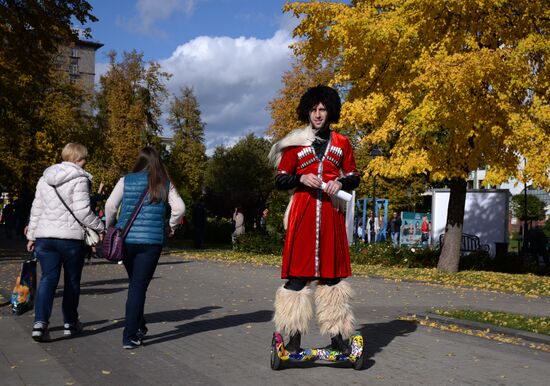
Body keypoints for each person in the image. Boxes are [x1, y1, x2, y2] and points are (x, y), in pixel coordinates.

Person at [268, 85, 360, 353]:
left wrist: (340, 181)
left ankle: (339, 338)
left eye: (322, 109)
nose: (318, 114)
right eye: (313, 110)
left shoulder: (342, 143)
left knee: (332, 279)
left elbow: (354, 176)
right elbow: (280, 179)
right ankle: (293, 339)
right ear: (307, 112)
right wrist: (300, 178)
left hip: (331, 216)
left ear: (330, 111)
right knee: (297, 278)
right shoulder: (296, 143)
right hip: (303, 215)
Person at [105, 147, 184, 349]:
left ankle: (138, 326)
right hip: (151, 243)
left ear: (139, 161)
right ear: (158, 162)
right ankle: (130, 335)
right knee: (138, 287)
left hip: (127, 240)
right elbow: (180, 208)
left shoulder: (126, 180)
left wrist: (110, 227)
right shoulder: (164, 183)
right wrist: (171, 226)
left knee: (135, 285)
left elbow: (110, 206)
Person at [26, 143, 105, 342]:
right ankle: (70, 323)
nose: (86, 162)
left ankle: (40, 324)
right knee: (71, 281)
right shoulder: (80, 178)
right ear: (79, 159)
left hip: (45, 237)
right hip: (70, 239)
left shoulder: (45, 178)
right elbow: (82, 211)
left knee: (48, 279)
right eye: (85, 158)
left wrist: (31, 235)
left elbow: (37, 209)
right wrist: (100, 227)